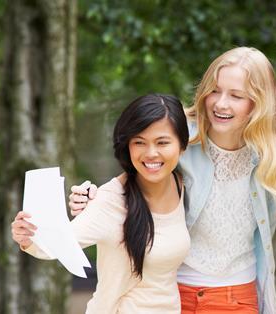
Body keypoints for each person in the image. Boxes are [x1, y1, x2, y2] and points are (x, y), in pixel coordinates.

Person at [68, 47, 276, 314]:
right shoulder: (181, 139)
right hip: (169, 294)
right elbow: (134, 175)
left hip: (236, 297)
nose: (221, 103)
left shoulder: (273, 154)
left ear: (258, 103)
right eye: (215, 90)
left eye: (236, 95)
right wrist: (92, 199)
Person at [11, 94, 191, 313]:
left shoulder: (180, 183)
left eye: (162, 142)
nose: (151, 153)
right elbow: (53, 245)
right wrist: (27, 236)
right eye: (139, 142)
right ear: (128, 147)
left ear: (182, 145)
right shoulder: (111, 202)